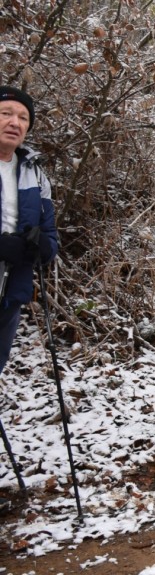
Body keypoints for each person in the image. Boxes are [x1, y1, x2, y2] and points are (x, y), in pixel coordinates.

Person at [0, 86, 58, 374]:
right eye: (6, 113)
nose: (15, 123)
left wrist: (43, 248)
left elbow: (49, 232)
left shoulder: (34, 173)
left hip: (11, 290)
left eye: (23, 118)